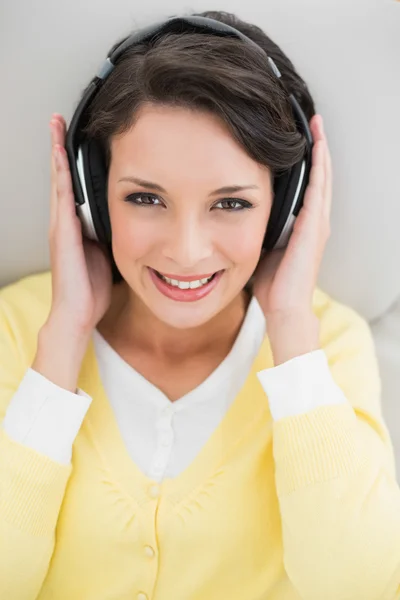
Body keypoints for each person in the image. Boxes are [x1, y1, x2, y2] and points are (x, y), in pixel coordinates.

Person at [0, 9, 399, 600]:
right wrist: (62, 340)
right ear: (93, 199)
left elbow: (357, 587)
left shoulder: (327, 343)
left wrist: (290, 329)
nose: (186, 251)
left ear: (285, 209)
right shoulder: (19, 327)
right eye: (144, 198)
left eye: (231, 204)